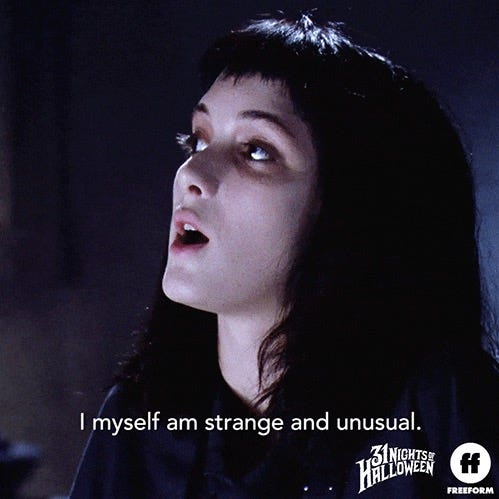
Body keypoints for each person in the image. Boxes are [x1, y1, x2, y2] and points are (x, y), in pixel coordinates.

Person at [70, 15, 498, 498]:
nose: (192, 172)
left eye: (256, 150)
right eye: (198, 139)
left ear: (352, 209)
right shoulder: (138, 420)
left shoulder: (438, 409)